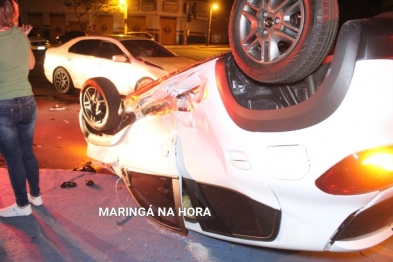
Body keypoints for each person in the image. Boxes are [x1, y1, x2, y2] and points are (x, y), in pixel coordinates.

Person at [0, 0, 42, 217]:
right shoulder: (19, 34)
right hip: (28, 102)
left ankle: (22, 206)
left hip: (3, 106)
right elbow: (31, 65)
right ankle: (36, 196)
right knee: (27, 153)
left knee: (13, 158)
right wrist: (22, 41)